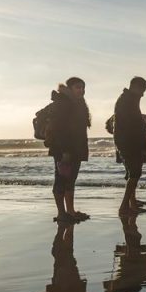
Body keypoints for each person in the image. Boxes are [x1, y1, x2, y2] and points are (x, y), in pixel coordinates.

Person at [46, 77, 91, 223]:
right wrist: (64, 151)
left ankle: (70, 211)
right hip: (63, 150)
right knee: (61, 180)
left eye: (83, 88)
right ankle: (61, 213)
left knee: (70, 180)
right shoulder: (63, 103)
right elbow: (59, 130)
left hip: (75, 149)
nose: (82, 90)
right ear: (70, 88)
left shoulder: (78, 104)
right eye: (78, 87)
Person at [114, 76, 146, 214]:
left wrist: (141, 119)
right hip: (129, 142)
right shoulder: (127, 100)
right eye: (142, 90)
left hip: (127, 141)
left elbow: (130, 120)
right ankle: (124, 206)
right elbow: (130, 124)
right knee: (134, 173)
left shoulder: (129, 99)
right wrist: (142, 122)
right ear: (135, 87)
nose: (143, 93)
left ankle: (132, 203)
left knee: (132, 173)